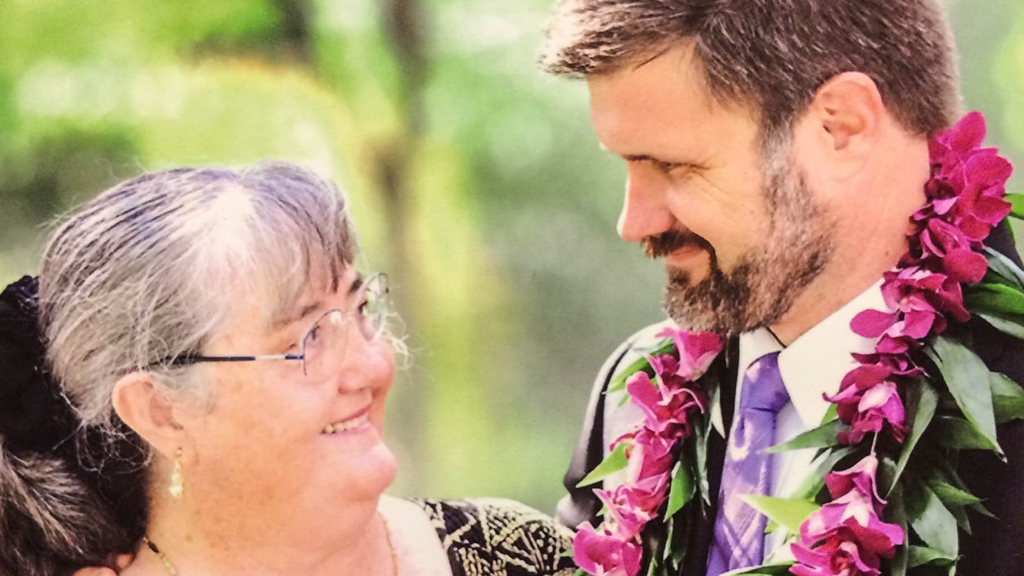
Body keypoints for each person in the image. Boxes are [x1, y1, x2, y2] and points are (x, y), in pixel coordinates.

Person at [540, 0, 1024, 575]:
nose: (632, 222)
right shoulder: (632, 398)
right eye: (626, 164)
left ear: (841, 126)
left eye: (674, 167)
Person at [0, 162, 576, 576]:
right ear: (162, 410)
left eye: (361, 310)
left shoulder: (520, 555)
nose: (372, 366)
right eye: (307, 338)